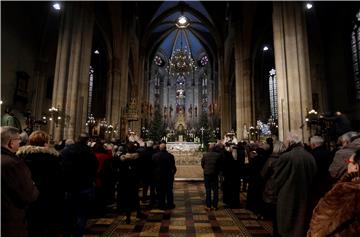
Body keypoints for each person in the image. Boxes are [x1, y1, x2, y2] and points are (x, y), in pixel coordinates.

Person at [16, 130, 63, 237]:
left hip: (27, 199)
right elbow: (59, 183)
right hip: (49, 199)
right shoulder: (54, 159)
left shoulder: (20, 158)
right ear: (46, 142)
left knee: (29, 228)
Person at [272, 131, 317, 237]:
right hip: (306, 195)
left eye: (286, 141)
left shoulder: (286, 157)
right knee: (301, 224)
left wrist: (274, 194)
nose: (285, 143)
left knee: (286, 226)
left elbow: (277, 179)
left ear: (290, 142)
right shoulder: (310, 156)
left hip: (288, 197)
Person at [307, 149, 360, 237]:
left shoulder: (347, 191)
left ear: (356, 167)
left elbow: (320, 226)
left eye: (349, 162)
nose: (347, 165)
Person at [1, 126, 39, 237]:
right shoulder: (13, 164)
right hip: (9, 220)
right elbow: (29, 195)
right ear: (11, 143)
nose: (20, 143)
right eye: (18, 140)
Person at [60, 133, 98, 237]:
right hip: (84, 186)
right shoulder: (89, 152)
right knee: (81, 215)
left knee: (68, 214)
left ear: (77, 139)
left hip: (69, 186)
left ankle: (67, 234)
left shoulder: (66, 151)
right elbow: (95, 168)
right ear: (87, 140)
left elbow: (61, 166)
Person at [152, 142, 177, 210]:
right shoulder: (170, 156)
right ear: (166, 148)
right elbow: (173, 167)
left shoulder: (155, 156)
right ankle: (170, 204)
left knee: (160, 190)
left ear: (160, 148)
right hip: (168, 176)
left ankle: (161, 204)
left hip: (159, 177)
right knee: (169, 191)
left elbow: (153, 167)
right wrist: (172, 174)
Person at [201, 143, 222, 211]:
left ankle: (208, 206)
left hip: (207, 173)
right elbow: (219, 164)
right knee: (215, 190)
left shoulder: (205, 155)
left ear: (209, 148)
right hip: (215, 174)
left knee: (208, 189)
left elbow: (202, 164)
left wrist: (205, 169)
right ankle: (215, 206)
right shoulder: (218, 155)